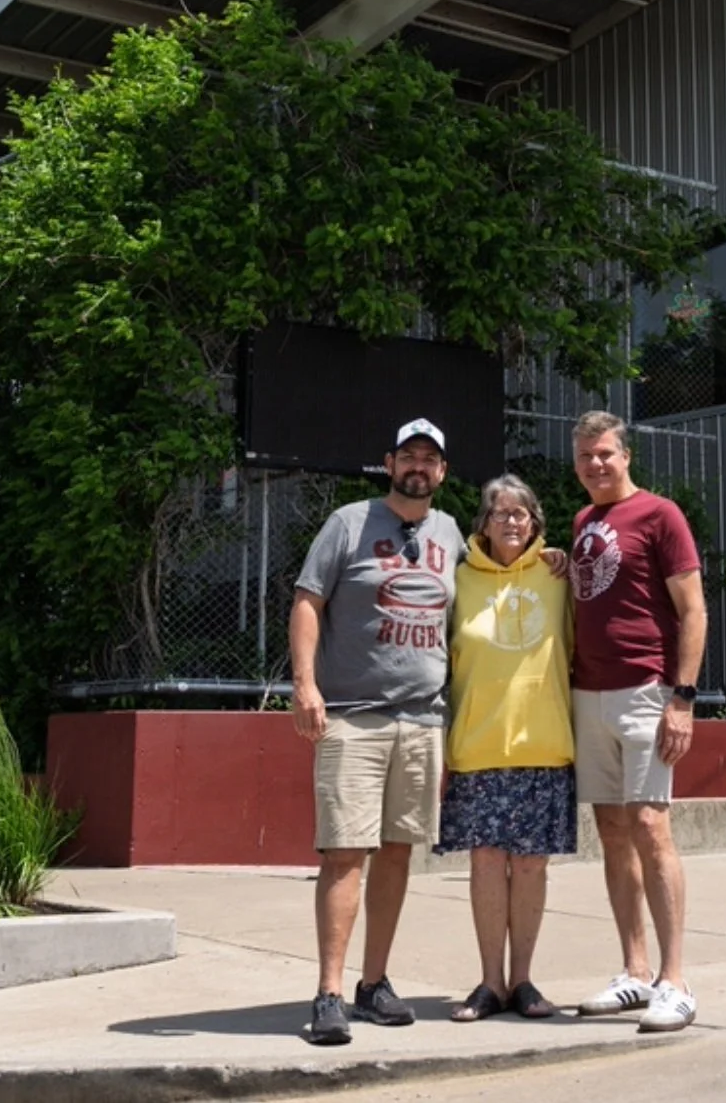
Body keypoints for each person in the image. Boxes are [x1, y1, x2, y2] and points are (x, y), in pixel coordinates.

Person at [289, 418, 465, 1046]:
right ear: (389, 462)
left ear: (442, 472)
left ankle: (374, 984)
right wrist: (305, 685)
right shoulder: (348, 523)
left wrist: (547, 559)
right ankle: (329, 993)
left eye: (431, 459)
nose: (419, 467)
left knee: (396, 853)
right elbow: (308, 600)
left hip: (422, 721)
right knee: (343, 855)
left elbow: (490, 590)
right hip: (353, 717)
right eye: (409, 456)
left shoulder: (450, 534)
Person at [565, 410, 705, 1034]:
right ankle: (634, 972)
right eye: (586, 456)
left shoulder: (661, 515)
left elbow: (693, 609)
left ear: (626, 457)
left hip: (648, 691)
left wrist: (684, 697)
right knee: (612, 830)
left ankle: (675, 982)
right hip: (587, 694)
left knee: (651, 826)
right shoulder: (582, 523)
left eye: (606, 453)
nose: (596, 464)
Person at [436, 474, 576, 1023]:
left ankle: (523, 981)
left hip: (543, 744)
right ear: (484, 523)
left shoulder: (559, 576)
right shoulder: (459, 579)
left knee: (532, 867)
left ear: (536, 521)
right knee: (486, 864)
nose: (512, 521)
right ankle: (490, 982)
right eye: (501, 513)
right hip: (478, 746)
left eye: (521, 513)